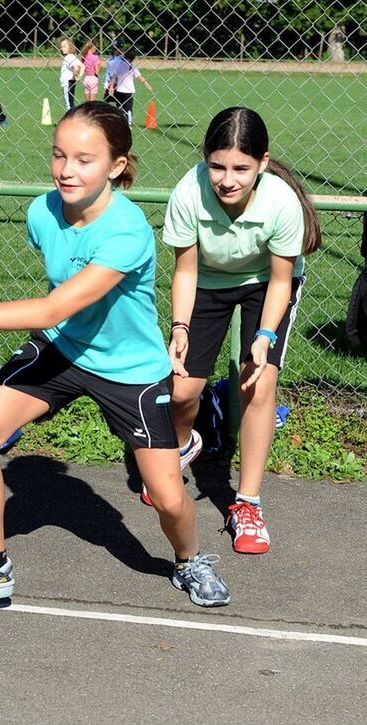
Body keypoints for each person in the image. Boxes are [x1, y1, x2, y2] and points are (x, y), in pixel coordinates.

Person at [0, 101, 231, 608]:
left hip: (129, 371)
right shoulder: (42, 211)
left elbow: (60, 301)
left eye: (84, 159)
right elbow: (60, 309)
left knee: (167, 497)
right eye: (59, 155)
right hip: (61, 347)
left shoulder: (128, 232)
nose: (66, 170)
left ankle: (189, 561)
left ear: (117, 167)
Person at [161, 106, 321, 554]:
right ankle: (181, 446)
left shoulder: (281, 203)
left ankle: (247, 504)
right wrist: (179, 327)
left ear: (263, 163)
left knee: (258, 384)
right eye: (217, 166)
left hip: (266, 287)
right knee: (178, 390)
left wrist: (264, 337)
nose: (227, 179)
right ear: (205, 160)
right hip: (207, 282)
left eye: (241, 168)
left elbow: (282, 280)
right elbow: (186, 271)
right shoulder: (188, 192)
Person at [106, 46, 152, 126]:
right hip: (129, 91)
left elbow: (113, 77)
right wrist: (147, 85)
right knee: (128, 109)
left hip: (119, 90)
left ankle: (120, 122)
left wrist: (111, 88)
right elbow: (140, 77)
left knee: (120, 107)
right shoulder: (132, 66)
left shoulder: (118, 65)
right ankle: (129, 123)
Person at [59, 38, 83, 112]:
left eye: (64, 46)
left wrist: (76, 76)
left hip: (67, 83)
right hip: (68, 83)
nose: (62, 48)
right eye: (61, 46)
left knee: (68, 105)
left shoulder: (69, 57)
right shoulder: (70, 56)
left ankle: (70, 121)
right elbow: (81, 66)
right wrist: (78, 76)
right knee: (70, 103)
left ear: (70, 47)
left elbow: (77, 67)